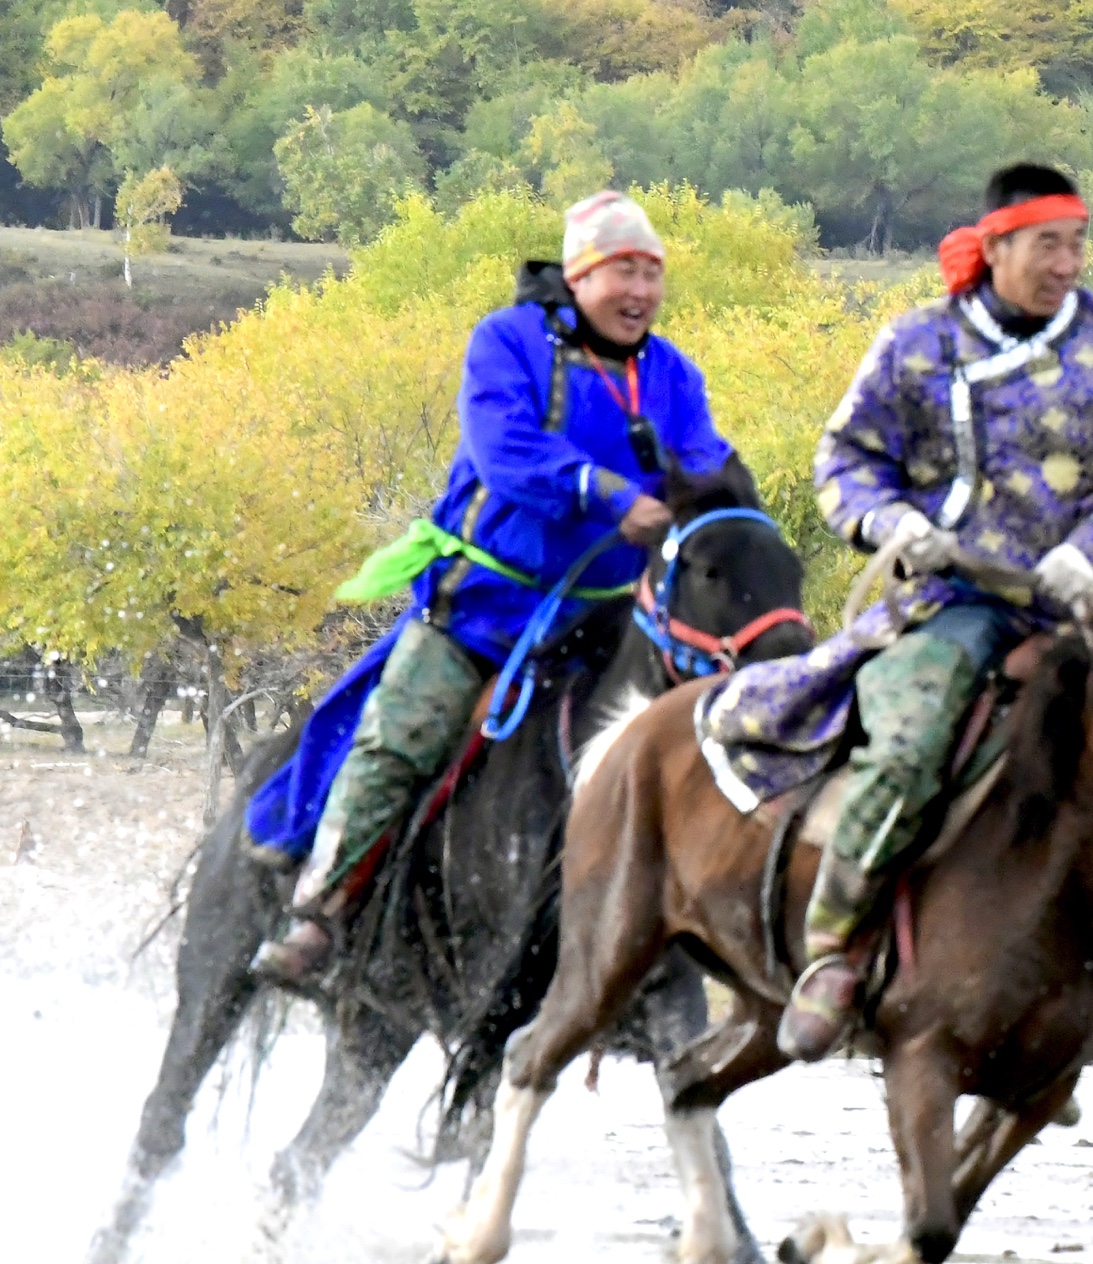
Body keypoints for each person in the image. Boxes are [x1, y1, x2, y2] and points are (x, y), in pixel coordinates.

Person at [699, 163, 1093, 1061]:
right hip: (953, 602)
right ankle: (832, 952)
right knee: (912, 736)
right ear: (999, 244)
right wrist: (893, 524)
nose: (1068, 263)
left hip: (1085, 603)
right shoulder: (916, 344)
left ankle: (1087, 990)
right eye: (1050, 244)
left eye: (1078, 243)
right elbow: (845, 460)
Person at [244, 190, 734, 981]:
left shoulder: (672, 374)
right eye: (623, 271)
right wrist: (610, 497)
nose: (640, 291)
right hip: (483, 614)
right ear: (579, 275)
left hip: (611, 624)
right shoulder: (507, 342)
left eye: (652, 273)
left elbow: (705, 459)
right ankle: (320, 910)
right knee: (397, 740)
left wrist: (715, 504)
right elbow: (505, 449)